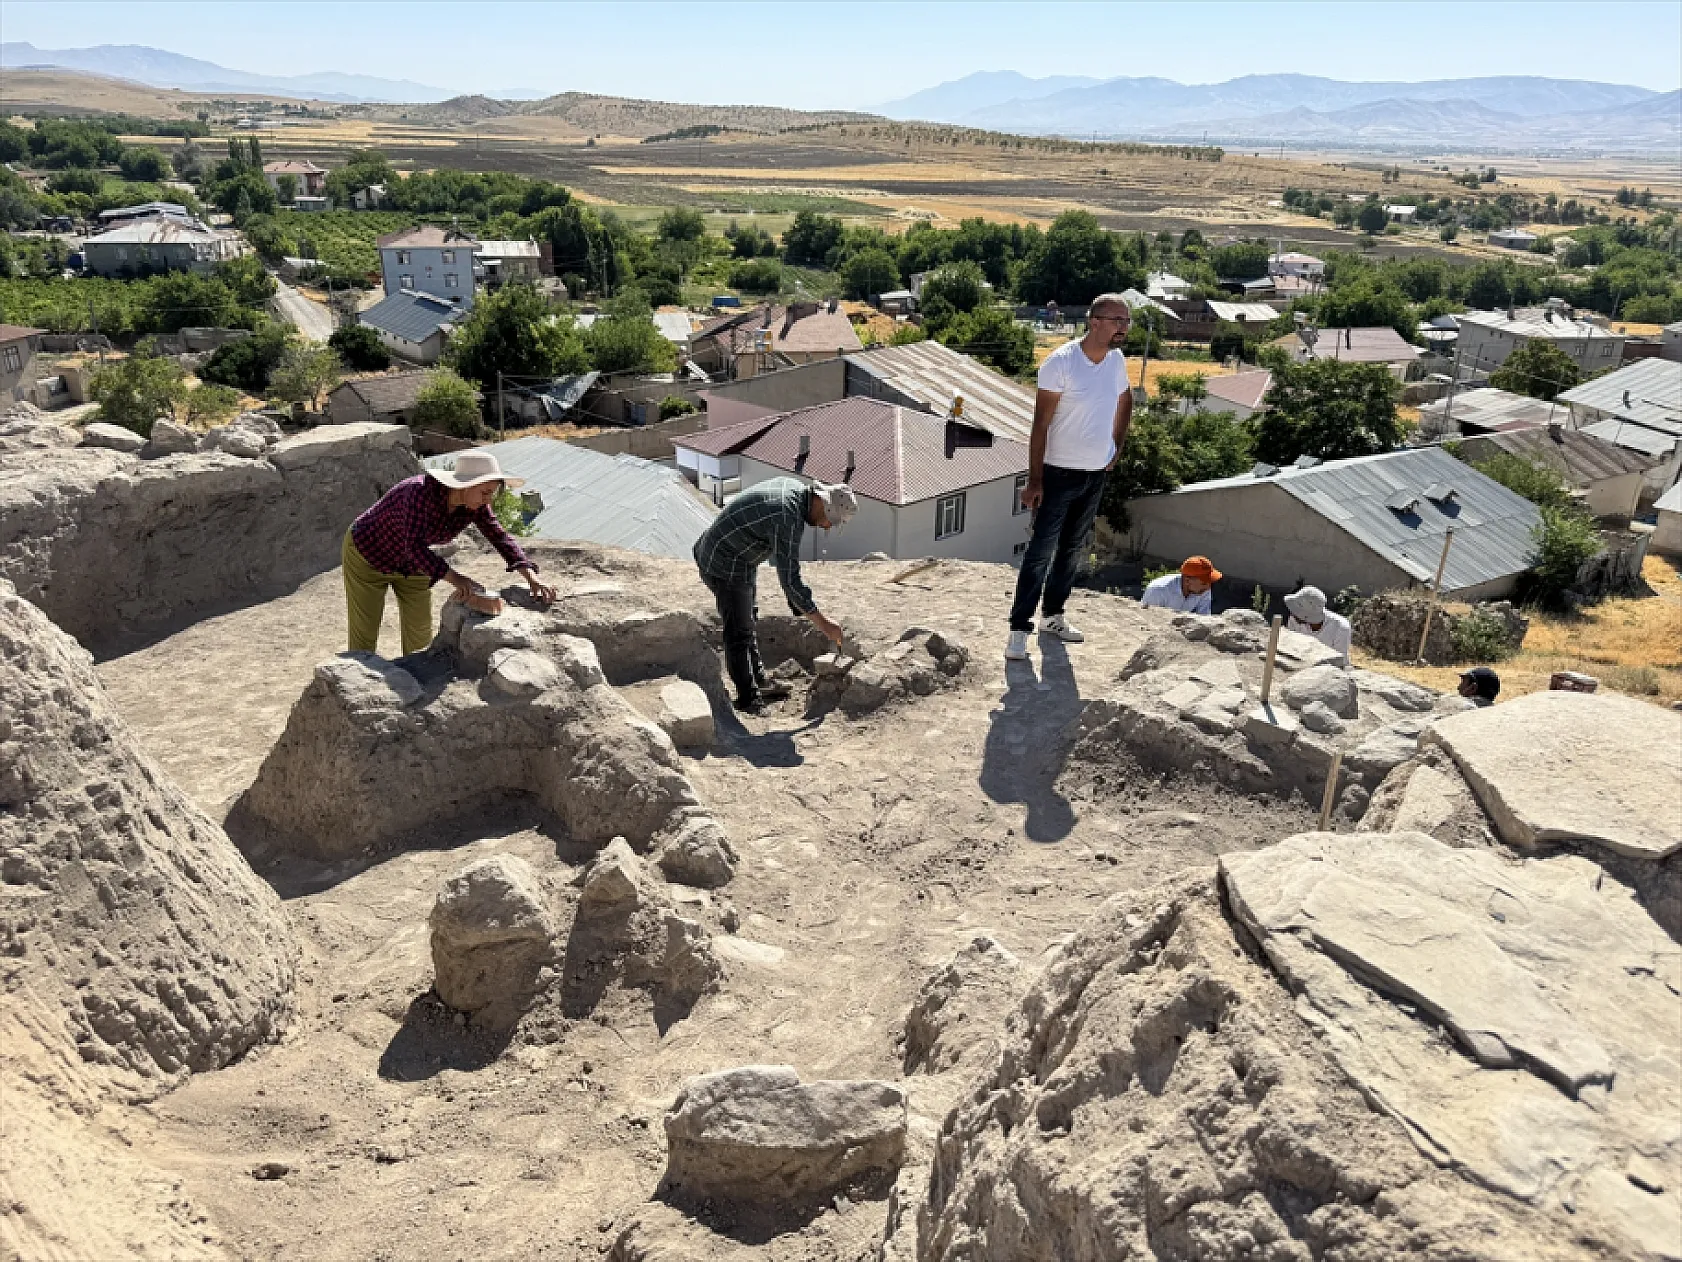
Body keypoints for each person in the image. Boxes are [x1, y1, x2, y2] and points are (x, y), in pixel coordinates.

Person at [1006, 293, 1135, 661]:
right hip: (1058, 473)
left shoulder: (1116, 360)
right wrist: (1035, 481)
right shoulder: (1060, 363)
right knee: (1040, 553)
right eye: (1117, 321)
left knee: (1072, 549)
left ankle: (1053, 616)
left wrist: (1116, 447)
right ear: (1094, 322)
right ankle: (1018, 630)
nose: (1124, 328)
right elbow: (1040, 425)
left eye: (1126, 321)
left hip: (1095, 474)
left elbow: (1125, 400)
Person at [343, 451, 556, 657]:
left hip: (412, 565)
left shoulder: (475, 505)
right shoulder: (418, 493)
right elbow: (414, 546)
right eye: (485, 492)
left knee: (420, 634)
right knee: (365, 633)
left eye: (491, 493)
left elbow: (499, 537)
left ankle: (414, 677)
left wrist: (531, 577)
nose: (488, 500)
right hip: (369, 553)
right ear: (466, 485)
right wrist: (457, 579)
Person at [693, 477, 856, 715]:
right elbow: (789, 579)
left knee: (748, 619)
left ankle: (759, 682)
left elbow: (787, 574)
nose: (827, 527)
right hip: (723, 560)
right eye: (829, 521)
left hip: (741, 557)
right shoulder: (787, 516)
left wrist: (798, 605)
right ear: (824, 504)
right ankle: (748, 699)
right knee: (738, 632)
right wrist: (824, 624)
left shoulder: (795, 493)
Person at [1283, 585, 1352, 667]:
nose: (1292, 613)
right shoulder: (1294, 619)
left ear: (1306, 616)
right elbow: (1290, 649)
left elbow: (1339, 661)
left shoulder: (1340, 628)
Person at [1141, 556, 1221, 615]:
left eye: (1210, 582)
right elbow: (1146, 618)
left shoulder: (1203, 590)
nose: (1208, 587)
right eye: (1204, 583)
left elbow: (1204, 617)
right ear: (1187, 580)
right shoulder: (1158, 591)